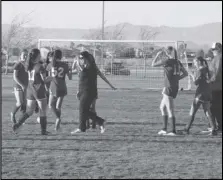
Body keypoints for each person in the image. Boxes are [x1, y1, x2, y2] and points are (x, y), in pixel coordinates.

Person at [12, 48, 52, 135]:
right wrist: (53, 77)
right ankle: (43, 131)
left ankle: (18, 124)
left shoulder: (28, 65)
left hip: (30, 90)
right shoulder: (40, 66)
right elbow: (44, 80)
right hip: (38, 90)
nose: (41, 56)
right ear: (37, 56)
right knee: (42, 111)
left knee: (29, 111)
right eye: (40, 55)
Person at [72, 52, 116, 129]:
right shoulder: (82, 68)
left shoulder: (92, 68)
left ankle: (94, 124)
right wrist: (78, 91)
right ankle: (88, 124)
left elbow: (102, 76)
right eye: (81, 58)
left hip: (92, 90)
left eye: (82, 58)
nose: (82, 60)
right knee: (85, 108)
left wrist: (110, 85)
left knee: (91, 107)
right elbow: (81, 81)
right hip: (83, 90)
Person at [152, 46, 188, 136]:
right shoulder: (178, 62)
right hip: (174, 87)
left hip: (168, 87)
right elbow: (185, 73)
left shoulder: (167, 61)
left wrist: (157, 55)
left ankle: (172, 130)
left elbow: (153, 64)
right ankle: (164, 129)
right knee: (162, 107)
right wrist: (176, 79)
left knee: (170, 109)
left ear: (168, 53)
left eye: (167, 52)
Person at [183, 50, 217, 136]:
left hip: (200, 94)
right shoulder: (207, 69)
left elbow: (196, 83)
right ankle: (213, 129)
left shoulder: (200, 70)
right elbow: (211, 78)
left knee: (192, 111)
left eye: (195, 62)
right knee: (207, 111)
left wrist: (191, 75)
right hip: (208, 92)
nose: (194, 64)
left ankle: (186, 129)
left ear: (198, 62)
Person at [46, 49, 72, 131]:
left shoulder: (50, 65)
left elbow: (49, 78)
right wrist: (70, 71)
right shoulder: (65, 65)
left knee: (51, 105)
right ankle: (58, 122)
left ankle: (57, 118)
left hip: (54, 87)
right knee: (58, 106)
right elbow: (70, 78)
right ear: (61, 56)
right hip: (63, 87)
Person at [10, 49, 29, 124]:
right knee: (20, 102)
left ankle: (22, 119)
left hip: (26, 86)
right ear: (20, 55)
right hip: (18, 85)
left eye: (26, 54)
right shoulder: (18, 64)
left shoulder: (27, 65)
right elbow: (15, 77)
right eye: (24, 54)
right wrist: (22, 85)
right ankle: (12, 114)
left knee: (24, 103)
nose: (25, 56)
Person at [209, 42, 222, 132]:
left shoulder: (219, 58)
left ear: (219, 49)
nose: (212, 51)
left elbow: (217, 72)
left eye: (214, 49)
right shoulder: (217, 57)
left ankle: (217, 126)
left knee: (214, 107)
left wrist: (210, 81)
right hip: (217, 86)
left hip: (216, 86)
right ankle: (218, 125)